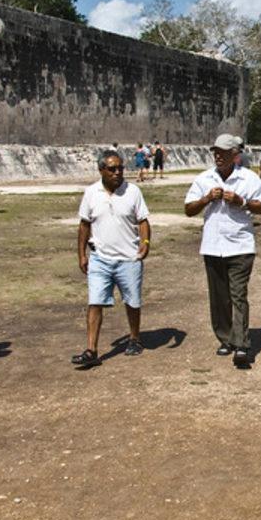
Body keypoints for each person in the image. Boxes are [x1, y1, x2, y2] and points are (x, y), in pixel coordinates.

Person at [184, 133, 261, 369]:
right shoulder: (204, 179)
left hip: (240, 245)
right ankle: (225, 338)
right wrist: (206, 199)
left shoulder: (249, 179)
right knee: (219, 297)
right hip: (212, 246)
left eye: (223, 152)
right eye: (215, 152)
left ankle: (242, 345)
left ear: (235, 154)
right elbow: (188, 209)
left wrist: (241, 201)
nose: (218, 156)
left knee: (238, 295)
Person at [72, 151, 151, 368]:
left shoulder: (133, 191)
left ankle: (134, 338)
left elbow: (143, 220)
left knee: (132, 301)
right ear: (101, 171)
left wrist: (144, 245)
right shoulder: (91, 193)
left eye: (120, 168)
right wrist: (81, 255)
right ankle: (91, 350)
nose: (118, 172)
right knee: (95, 302)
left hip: (129, 259)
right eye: (112, 169)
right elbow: (84, 225)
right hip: (100, 259)